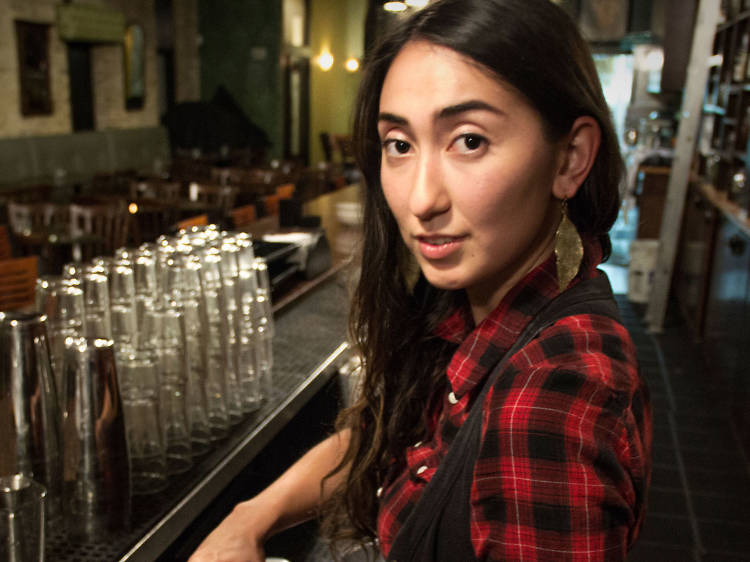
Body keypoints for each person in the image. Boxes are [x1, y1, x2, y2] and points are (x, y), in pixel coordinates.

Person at [190, 0, 652, 560]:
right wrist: (250, 516)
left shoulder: (549, 402)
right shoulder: (485, 309)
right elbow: (398, 432)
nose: (421, 199)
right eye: (400, 145)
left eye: (469, 140)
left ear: (570, 159)